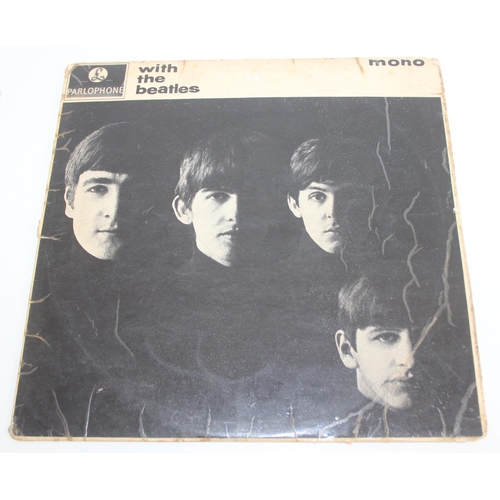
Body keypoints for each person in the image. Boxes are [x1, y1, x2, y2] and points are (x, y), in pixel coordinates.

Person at [13, 122, 171, 438]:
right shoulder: (27, 296)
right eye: (98, 188)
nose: (114, 209)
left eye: (135, 191)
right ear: (70, 201)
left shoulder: (177, 301)